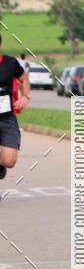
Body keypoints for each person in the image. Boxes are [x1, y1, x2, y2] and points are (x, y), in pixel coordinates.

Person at [0, 34, 30, 184]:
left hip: (7, 117)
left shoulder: (10, 63)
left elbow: (24, 79)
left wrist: (25, 96)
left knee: (9, 161)